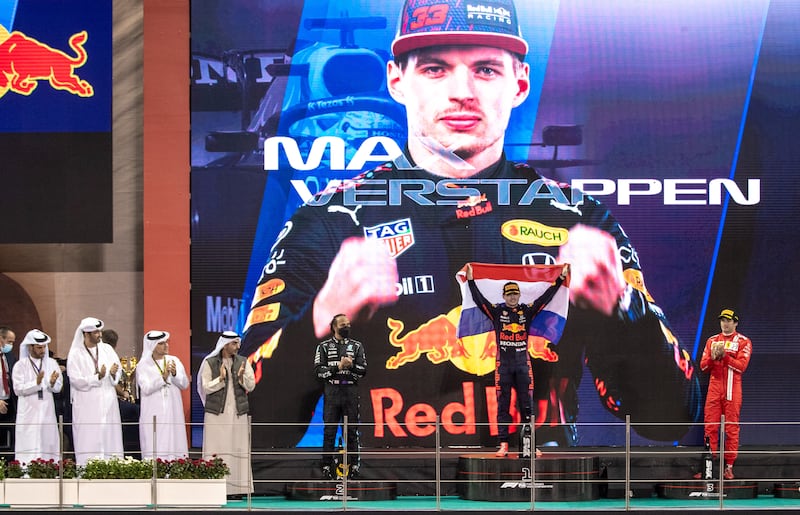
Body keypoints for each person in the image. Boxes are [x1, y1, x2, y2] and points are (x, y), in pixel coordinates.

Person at [242, 0, 700, 449]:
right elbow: (246, 424)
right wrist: (320, 320)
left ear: (519, 83)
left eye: (485, 69)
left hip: (539, 497)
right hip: (389, 502)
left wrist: (622, 309)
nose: (462, 91)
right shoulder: (329, 222)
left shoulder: (581, 222)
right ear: (397, 80)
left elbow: (671, 419)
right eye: (435, 69)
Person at [465, 263, 568, 457]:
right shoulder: (497, 312)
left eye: (515, 294)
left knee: (527, 406)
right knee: (503, 405)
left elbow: (546, 298)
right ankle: (503, 444)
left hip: (522, 365)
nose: (512, 297)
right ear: (504, 296)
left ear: (519, 296)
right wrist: (471, 280)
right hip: (503, 366)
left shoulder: (526, 311)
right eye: (509, 294)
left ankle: (530, 445)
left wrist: (560, 279)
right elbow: (479, 300)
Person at [198, 331, 255, 498]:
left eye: (238, 343)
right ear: (225, 345)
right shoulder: (209, 363)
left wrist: (241, 378)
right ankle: (216, 488)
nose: (238, 347)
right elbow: (206, 387)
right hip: (216, 414)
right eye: (234, 343)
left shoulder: (243, 362)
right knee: (218, 449)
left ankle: (237, 489)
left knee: (238, 448)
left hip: (238, 413)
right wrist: (221, 379)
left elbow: (251, 386)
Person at [699, 309, 752, 480]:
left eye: (729, 320)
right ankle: (709, 467)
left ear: (735, 322)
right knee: (710, 427)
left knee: (731, 428)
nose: (725, 323)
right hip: (714, 389)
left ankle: (728, 467)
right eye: (723, 320)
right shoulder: (712, 341)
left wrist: (726, 357)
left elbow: (742, 367)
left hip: (732, 390)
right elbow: (703, 367)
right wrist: (714, 358)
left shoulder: (743, 341)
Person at [314, 314, 367, 479]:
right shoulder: (323, 347)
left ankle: (355, 467)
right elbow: (318, 372)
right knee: (329, 430)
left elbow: (363, 370)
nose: (347, 327)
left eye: (348, 324)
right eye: (343, 325)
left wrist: (350, 367)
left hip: (350, 391)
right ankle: (326, 467)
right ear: (334, 327)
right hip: (332, 391)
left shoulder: (357, 346)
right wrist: (338, 367)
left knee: (352, 431)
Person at [66, 316, 124, 465]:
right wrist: (96, 377)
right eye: (95, 332)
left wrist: (112, 374)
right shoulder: (75, 354)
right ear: (86, 334)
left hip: (108, 400)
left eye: (99, 332)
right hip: (87, 404)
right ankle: (88, 468)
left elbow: (117, 370)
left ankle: (113, 467)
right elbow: (75, 380)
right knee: (90, 436)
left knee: (110, 434)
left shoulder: (107, 349)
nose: (99, 335)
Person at [12, 329, 63, 463]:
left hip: (47, 410)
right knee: (29, 440)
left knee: (48, 439)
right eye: (39, 347)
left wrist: (52, 383)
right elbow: (18, 389)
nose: (43, 350)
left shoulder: (51, 363)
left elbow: (58, 387)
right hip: (29, 411)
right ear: (30, 347)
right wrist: (37, 383)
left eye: (44, 347)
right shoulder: (20, 365)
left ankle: (50, 468)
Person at [137, 330, 189, 460]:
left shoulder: (174, 360)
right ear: (152, 346)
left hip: (173, 411)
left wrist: (175, 374)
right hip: (153, 412)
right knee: (155, 441)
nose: (166, 345)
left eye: (166, 342)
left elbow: (184, 384)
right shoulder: (143, 365)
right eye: (161, 343)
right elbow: (146, 388)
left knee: (174, 439)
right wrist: (163, 377)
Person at [102, 328, 141, 458]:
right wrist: (124, 393)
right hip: (107, 401)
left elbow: (114, 381)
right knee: (134, 411)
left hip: (112, 400)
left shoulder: (109, 356)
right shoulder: (106, 356)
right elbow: (111, 382)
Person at [0, 326, 17, 449]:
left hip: (9, 402)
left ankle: (10, 466)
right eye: (9, 342)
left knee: (10, 439)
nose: (11, 345)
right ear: (1, 339)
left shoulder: (10, 357)